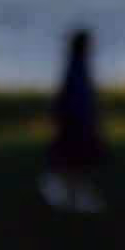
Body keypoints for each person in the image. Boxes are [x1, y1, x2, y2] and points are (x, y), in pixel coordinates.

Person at [42, 27, 107, 212]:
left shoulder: (74, 67)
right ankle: (75, 198)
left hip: (75, 124)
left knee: (73, 164)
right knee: (77, 164)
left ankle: (70, 196)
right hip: (77, 125)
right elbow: (78, 100)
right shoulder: (78, 69)